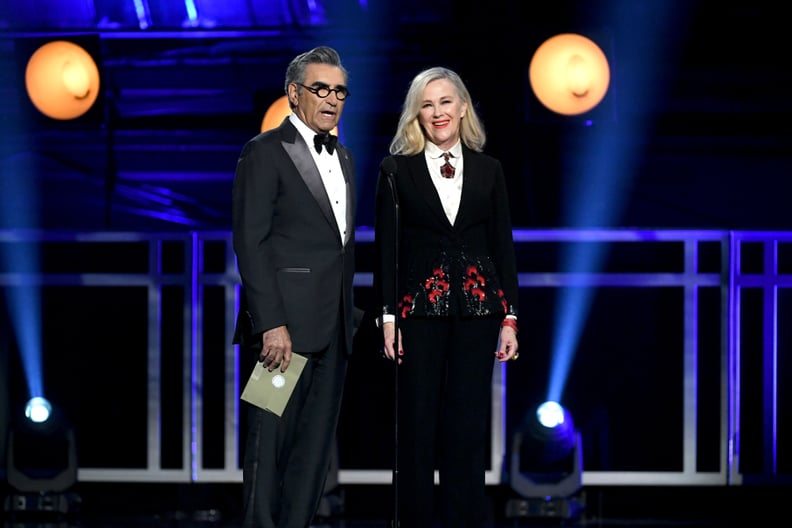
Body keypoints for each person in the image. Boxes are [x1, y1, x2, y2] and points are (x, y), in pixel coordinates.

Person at [373, 66, 520, 528]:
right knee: (417, 426)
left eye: (445, 102)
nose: (438, 112)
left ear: (462, 107)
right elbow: (387, 249)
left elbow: (502, 245)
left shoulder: (489, 169)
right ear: (416, 114)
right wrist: (388, 317)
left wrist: (510, 317)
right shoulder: (397, 170)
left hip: (478, 312)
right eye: (427, 104)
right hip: (418, 312)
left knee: (467, 425)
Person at [232, 45, 356, 528]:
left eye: (339, 90)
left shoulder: (344, 156)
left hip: (334, 330)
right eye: (320, 89)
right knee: (267, 442)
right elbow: (251, 242)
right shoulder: (263, 151)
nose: (331, 99)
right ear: (293, 94)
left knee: (314, 452)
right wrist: (271, 323)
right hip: (279, 334)